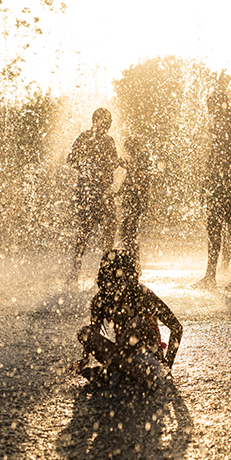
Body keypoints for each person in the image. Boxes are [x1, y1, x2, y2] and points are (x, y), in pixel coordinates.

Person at [71, 250, 183, 387]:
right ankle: (128, 373)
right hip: (122, 357)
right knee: (85, 333)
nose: (116, 286)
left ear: (129, 277)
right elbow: (94, 333)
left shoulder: (142, 294)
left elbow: (176, 328)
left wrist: (167, 366)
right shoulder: (100, 300)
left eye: (118, 280)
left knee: (136, 324)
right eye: (111, 280)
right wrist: (84, 358)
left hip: (149, 356)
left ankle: (117, 373)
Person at [195, 90, 231, 292]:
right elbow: (213, 157)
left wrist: (228, 172)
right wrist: (207, 181)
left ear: (222, 105)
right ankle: (210, 275)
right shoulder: (217, 127)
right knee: (214, 229)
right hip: (220, 186)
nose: (211, 112)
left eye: (213, 107)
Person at [67, 107, 121, 282]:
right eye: (107, 121)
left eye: (111, 122)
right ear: (97, 121)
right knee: (87, 228)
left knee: (108, 224)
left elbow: (112, 163)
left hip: (100, 191)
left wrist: (113, 164)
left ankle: (104, 266)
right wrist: (91, 170)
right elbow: (71, 160)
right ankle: (79, 266)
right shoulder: (85, 138)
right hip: (90, 190)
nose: (109, 124)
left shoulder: (107, 140)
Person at [118, 136, 153, 270]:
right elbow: (132, 178)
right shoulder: (139, 157)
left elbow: (140, 176)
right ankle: (133, 262)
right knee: (126, 231)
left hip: (136, 199)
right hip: (133, 198)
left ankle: (134, 264)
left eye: (129, 148)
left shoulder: (142, 157)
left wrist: (127, 166)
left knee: (129, 231)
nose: (127, 151)